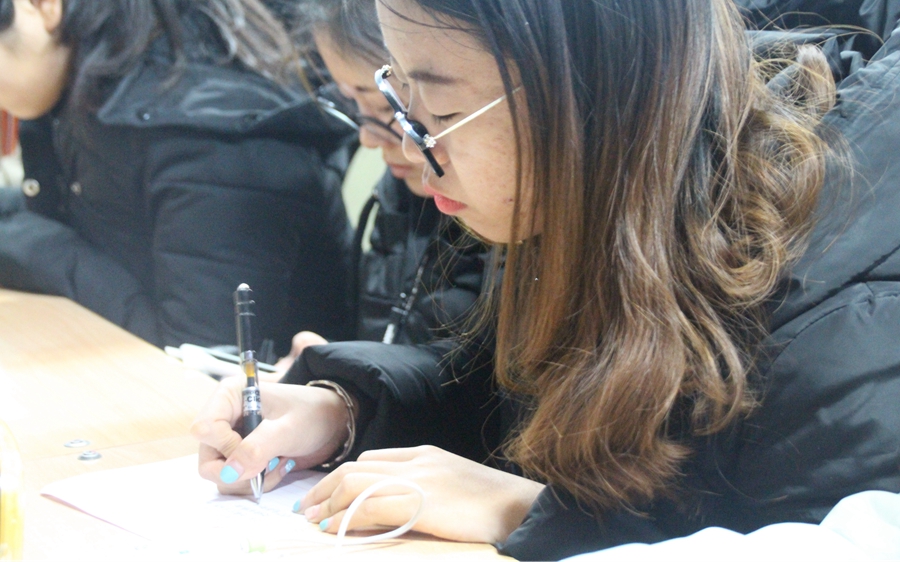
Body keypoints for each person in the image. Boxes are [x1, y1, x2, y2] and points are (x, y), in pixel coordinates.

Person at [191, 1, 900, 560]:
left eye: (440, 113)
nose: (409, 146)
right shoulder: (584, 193)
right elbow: (515, 400)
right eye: (395, 95)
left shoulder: (834, 311)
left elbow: (814, 541)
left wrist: (533, 513)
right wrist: (347, 411)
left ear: (593, 96)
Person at [0, 0, 354, 353]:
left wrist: (30, 247)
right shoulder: (97, 87)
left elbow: (203, 358)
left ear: (43, 6)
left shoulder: (209, 133)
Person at [269, 0, 488, 376]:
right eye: (352, 103)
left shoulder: (500, 219)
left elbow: (476, 383)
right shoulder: (395, 196)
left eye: (388, 108)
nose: (367, 139)